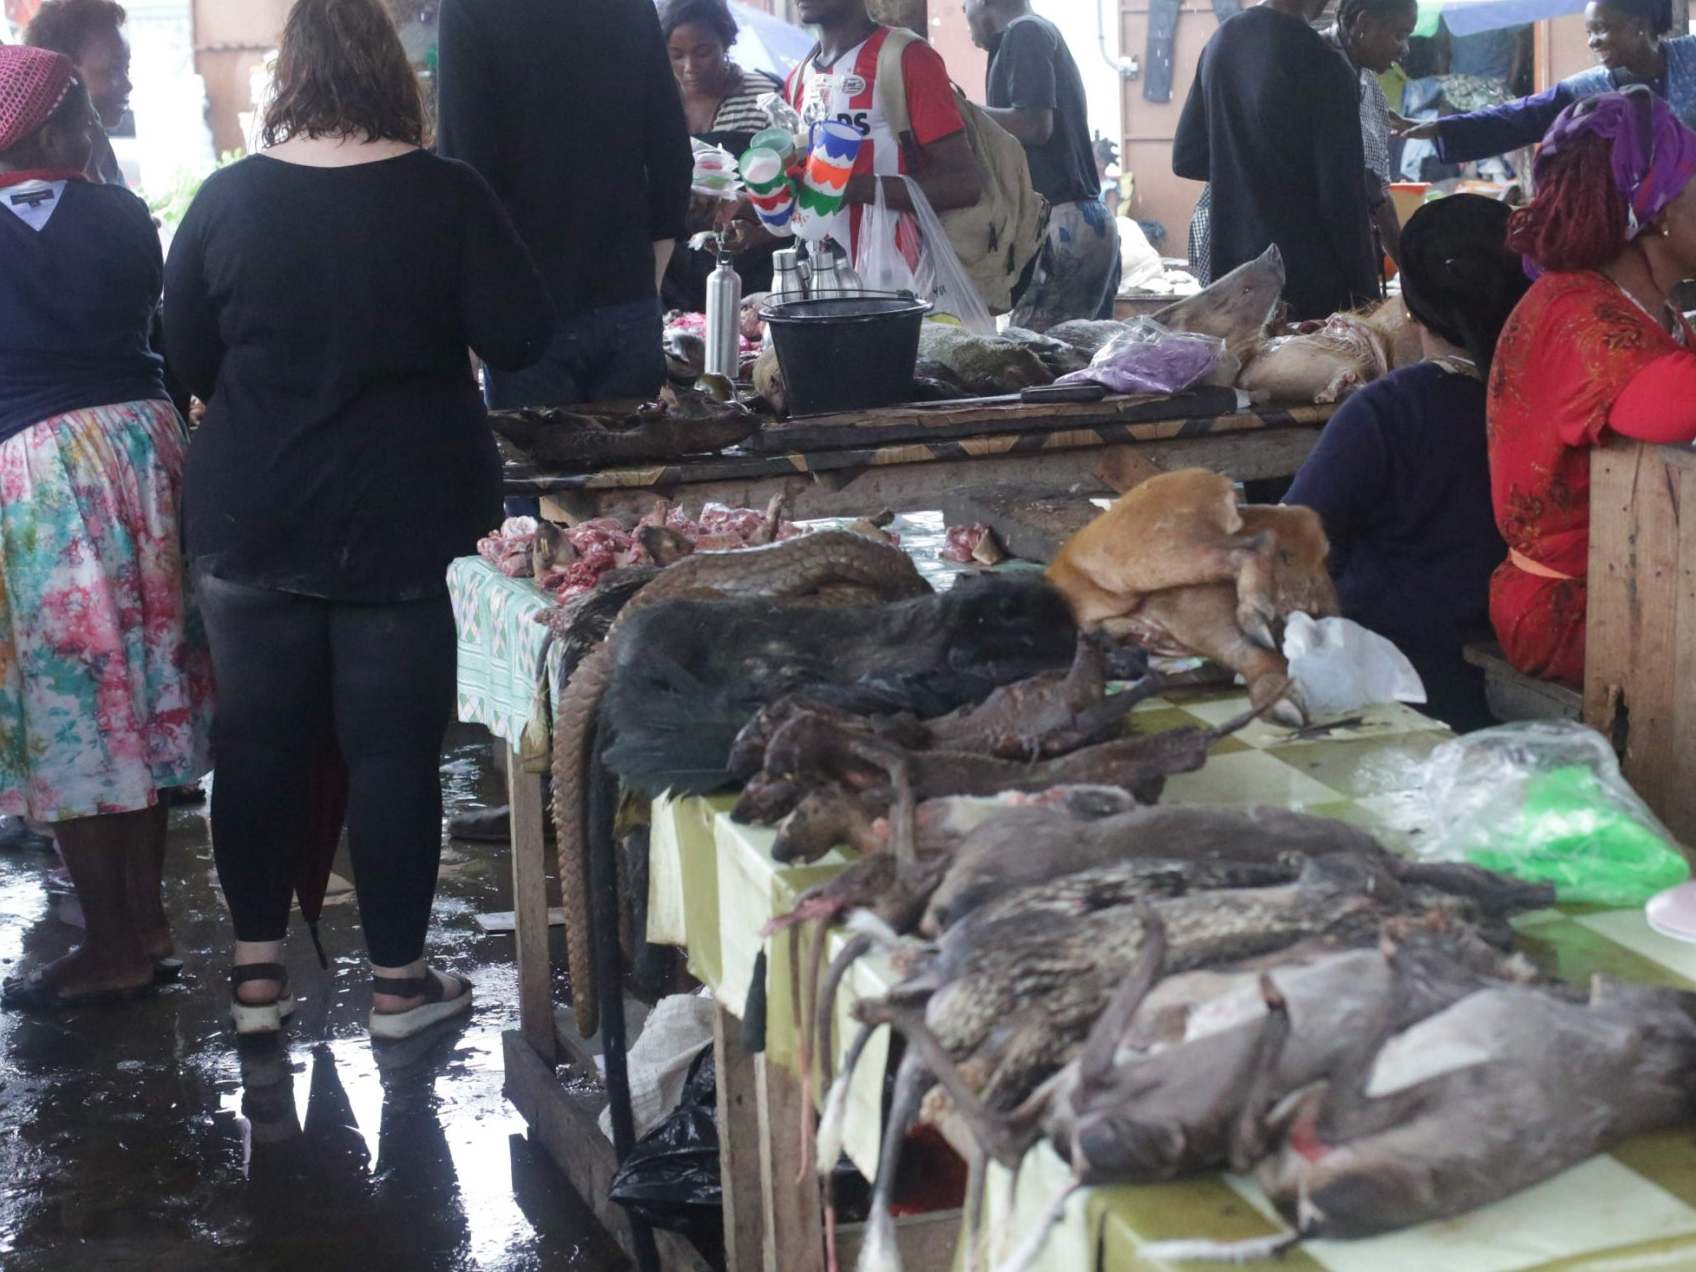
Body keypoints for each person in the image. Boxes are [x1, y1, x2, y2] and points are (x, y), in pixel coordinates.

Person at [162, 0, 553, 1039]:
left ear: (287, 77)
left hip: (252, 507)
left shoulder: (228, 199)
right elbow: (521, 333)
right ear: (393, 76)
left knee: (254, 742)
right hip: (410, 507)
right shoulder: (448, 194)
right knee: (392, 752)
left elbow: (185, 356)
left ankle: (255, 982)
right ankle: (397, 988)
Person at [0, 45, 212, 1010]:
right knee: (148, 688)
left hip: (41, 474)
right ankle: (147, 922)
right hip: (146, 451)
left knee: (77, 710)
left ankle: (115, 944)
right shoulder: (123, 216)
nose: (96, 125)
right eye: (81, 111)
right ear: (49, 127)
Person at [1285, 195, 1529, 731]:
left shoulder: (1389, 409)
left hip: (1391, 690)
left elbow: (1289, 540)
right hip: (1520, 668)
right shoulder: (1553, 398)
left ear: (1411, 307)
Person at [1488, 88, 1696, 686]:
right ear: (1659, 212)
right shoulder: (1577, 315)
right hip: (1573, 613)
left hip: (1636, 583)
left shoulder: (1641, 303)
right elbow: (1675, 407)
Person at [437, 0, 691, 410]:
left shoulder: (469, 8)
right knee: (639, 452)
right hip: (626, 297)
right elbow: (672, 154)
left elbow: (465, 172)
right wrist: (649, 280)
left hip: (526, 309)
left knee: (536, 454)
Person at [1174, 0, 1378, 319]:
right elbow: (1342, 203)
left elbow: (1186, 158)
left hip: (1232, 280)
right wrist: (1370, 301)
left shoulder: (1221, 42)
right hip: (1305, 291)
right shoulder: (1324, 64)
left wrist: (1243, 168)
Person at [780, 0, 982, 275]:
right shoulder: (798, 79)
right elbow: (804, 200)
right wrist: (753, 217)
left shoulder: (907, 58)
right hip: (821, 282)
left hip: (902, 281)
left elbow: (963, 183)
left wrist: (853, 187)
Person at [965, 0, 1119, 330]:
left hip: (1063, 224)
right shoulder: (1025, 36)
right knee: (1070, 353)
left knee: (1033, 354)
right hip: (1072, 220)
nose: (965, 16)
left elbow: (1035, 125)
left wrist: (962, 111)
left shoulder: (1026, 32)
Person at [1403, 0, 1696, 164]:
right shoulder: (1587, 89)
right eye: (1589, 33)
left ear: (1639, 26)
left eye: (1601, 30)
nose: (1592, 42)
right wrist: (1443, 128)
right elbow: (1517, 117)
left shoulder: (1690, 56)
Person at [659, 0, 782, 311]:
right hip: (674, 277)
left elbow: (790, 192)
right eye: (676, 55)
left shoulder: (764, 97)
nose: (689, 67)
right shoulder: (658, 102)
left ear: (726, 42)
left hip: (751, 270)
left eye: (703, 52)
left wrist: (746, 208)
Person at [1329, 0, 1419, 270]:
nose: (1405, 49)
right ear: (1364, 24)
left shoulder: (1365, 79)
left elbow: (1376, 186)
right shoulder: (1323, 72)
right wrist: (1412, 272)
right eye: (1399, 35)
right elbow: (1371, 187)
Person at [23, 0, 130, 186]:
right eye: (114, 70)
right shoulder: (32, 170)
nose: (128, 85)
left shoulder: (97, 144)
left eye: (126, 69)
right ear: (64, 74)